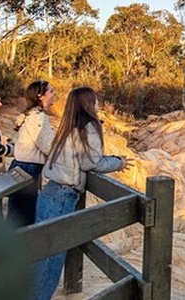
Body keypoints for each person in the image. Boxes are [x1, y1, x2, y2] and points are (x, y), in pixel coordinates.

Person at [31, 86, 126, 300]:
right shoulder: (90, 126)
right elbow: (91, 162)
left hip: (49, 192)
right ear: (89, 104)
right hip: (64, 194)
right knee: (51, 259)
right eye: (96, 100)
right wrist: (118, 162)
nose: (98, 104)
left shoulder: (68, 125)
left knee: (40, 253)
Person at [7, 80, 57, 226]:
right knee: (24, 216)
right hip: (28, 169)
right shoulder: (38, 117)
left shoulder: (31, 115)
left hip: (21, 166)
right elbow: (48, 146)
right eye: (52, 91)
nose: (55, 94)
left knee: (16, 213)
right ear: (41, 95)